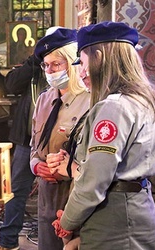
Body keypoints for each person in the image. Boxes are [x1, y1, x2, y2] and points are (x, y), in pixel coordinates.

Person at [49, 21, 155, 249]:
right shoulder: (141, 100)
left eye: (83, 63)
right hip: (131, 211)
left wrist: (67, 221)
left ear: (100, 59)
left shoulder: (114, 107)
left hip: (116, 219)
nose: (82, 72)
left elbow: (94, 182)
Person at [30, 27, 91, 250]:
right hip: (47, 193)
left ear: (72, 63)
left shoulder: (90, 99)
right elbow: (34, 147)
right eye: (46, 65)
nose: (50, 70)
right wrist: (36, 166)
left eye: (57, 64)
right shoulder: (45, 99)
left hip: (75, 193)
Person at [0, 54, 47, 250]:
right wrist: (34, 61)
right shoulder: (32, 67)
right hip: (26, 140)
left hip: (56, 142)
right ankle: (7, 241)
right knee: (16, 190)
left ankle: (54, 241)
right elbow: (11, 84)